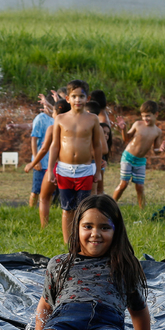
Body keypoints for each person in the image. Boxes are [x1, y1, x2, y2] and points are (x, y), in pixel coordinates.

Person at [26, 194, 154, 330]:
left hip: (105, 325)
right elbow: (45, 305)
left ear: (116, 231)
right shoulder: (59, 264)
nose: (95, 233)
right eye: (88, 226)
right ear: (76, 227)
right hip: (64, 323)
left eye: (104, 227)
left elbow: (139, 310)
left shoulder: (125, 266)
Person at [47, 80, 106, 241]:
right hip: (64, 170)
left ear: (88, 98)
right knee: (67, 209)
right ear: (67, 98)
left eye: (81, 96)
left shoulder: (93, 119)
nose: (77, 100)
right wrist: (50, 170)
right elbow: (55, 145)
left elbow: (97, 146)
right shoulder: (60, 119)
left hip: (85, 170)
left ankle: (81, 241)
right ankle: (68, 244)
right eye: (74, 96)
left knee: (84, 209)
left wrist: (98, 172)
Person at [112, 100, 165, 209]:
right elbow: (126, 138)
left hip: (140, 161)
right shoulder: (137, 124)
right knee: (123, 184)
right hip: (128, 157)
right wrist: (124, 129)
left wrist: (160, 150)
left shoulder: (157, 132)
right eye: (143, 116)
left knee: (140, 187)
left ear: (156, 114)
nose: (145, 118)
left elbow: (156, 150)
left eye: (148, 116)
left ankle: (142, 211)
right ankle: (110, 206)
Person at [87, 90, 114, 195]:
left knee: (97, 187)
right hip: (98, 154)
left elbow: (103, 141)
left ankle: (100, 203)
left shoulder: (100, 119)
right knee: (97, 186)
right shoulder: (103, 115)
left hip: (98, 155)